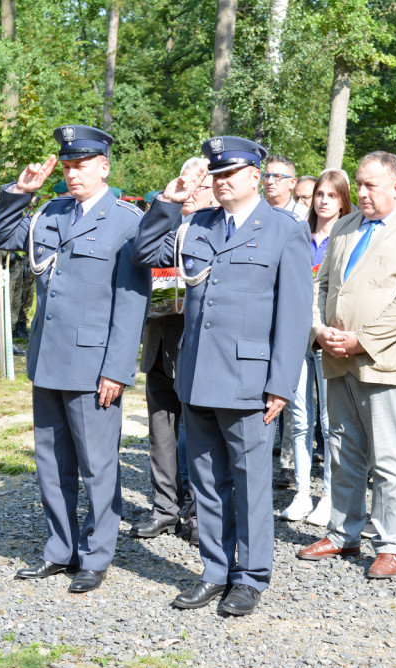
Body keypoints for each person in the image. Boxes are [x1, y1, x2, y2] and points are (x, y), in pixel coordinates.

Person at [132, 135, 312, 615]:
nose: (222, 181)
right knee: (208, 480)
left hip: (250, 380)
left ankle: (250, 577)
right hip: (196, 374)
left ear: (255, 176)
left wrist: (280, 383)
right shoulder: (196, 225)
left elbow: (294, 314)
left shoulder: (283, 229)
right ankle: (214, 570)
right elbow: (146, 252)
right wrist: (168, 201)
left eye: (231, 173)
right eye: (217, 174)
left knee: (251, 482)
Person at [0, 125, 152, 594]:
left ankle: (96, 555)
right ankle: (60, 549)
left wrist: (117, 369)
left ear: (104, 167)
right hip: (49, 359)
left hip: (95, 365)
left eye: (82, 165)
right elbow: (0, 237)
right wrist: (21, 192)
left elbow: (131, 300)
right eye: (67, 165)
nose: (73, 173)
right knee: (51, 462)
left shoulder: (126, 220)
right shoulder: (50, 211)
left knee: (97, 466)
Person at [296, 151, 396, 578]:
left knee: (388, 458)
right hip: (336, 356)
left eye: (370, 185)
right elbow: (319, 284)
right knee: (342, 449)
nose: (360, 192)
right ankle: (343, 531)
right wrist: (319, 329)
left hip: (383, 360)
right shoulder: (344, 226)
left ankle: (392, 543)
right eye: (359, 184)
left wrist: (362, 340)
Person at [130, 157, 215, 544]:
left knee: (198, 436)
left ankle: (198, 514)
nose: (194, 192)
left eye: (202, 185)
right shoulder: (167, 226)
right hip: (159, 339)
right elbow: (141, 253)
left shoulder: (219, 230)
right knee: (160, 433)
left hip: (196, 346)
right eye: (189, 183)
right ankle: (164, 509)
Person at [280, 170, 352, 525]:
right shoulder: (298, 234)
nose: (323, 201)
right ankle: (302, 491)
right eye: (318, 194)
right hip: (296, 335)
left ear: (342, 200)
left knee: (328, 420)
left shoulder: (348, 236)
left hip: (327, 335)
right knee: (299, 419)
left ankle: (329, 494)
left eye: (331, 195)